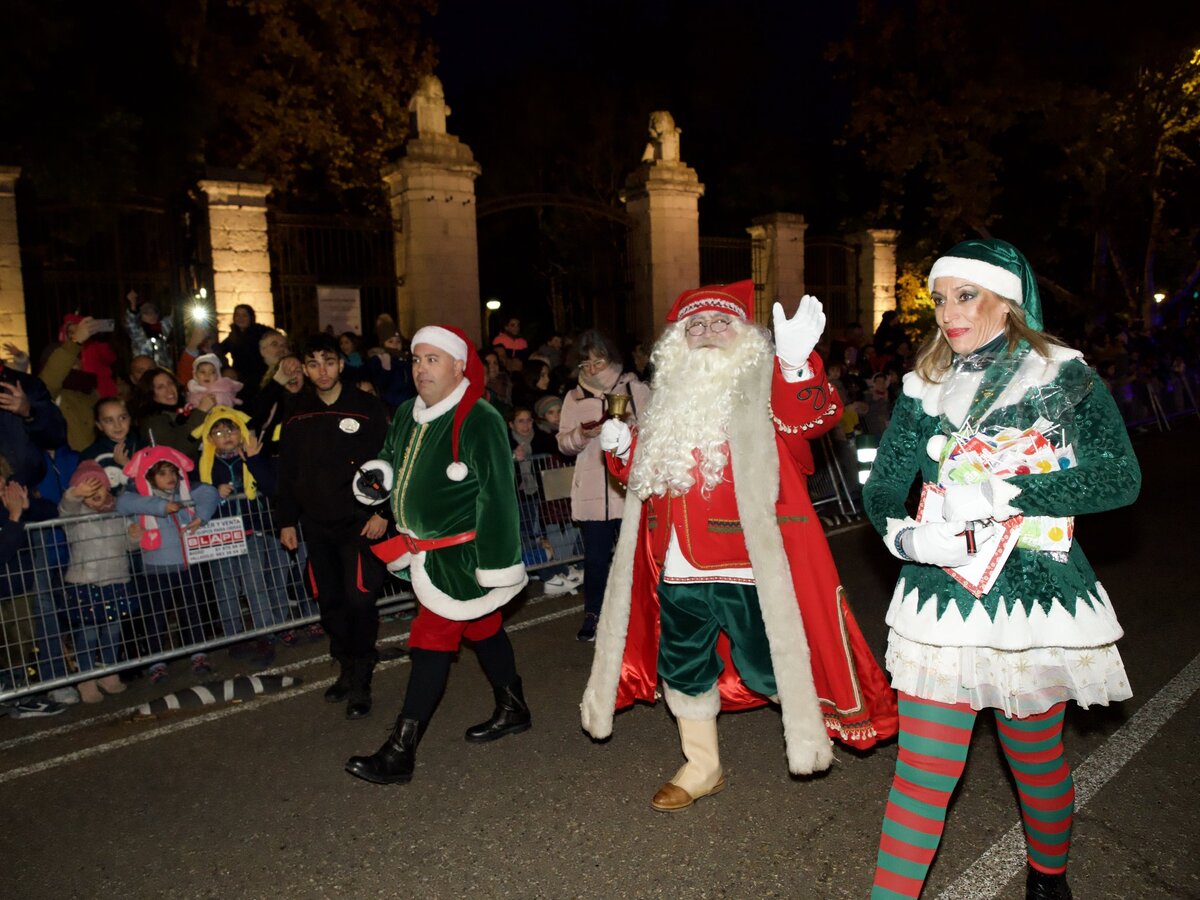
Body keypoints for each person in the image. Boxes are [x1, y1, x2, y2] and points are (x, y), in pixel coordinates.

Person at [863, 239, 1142, 900]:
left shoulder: (1063, 375)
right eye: (941, 299)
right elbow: (880, 487)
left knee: (1035, 756)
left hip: (1034, 594)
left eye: (967, 296)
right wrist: (903, 535)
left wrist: (1006, 494)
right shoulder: (925, 381)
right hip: (943, 595)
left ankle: (1049, 880)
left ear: (1007, 299)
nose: (950, 315)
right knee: (923, 774)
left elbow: (1120, 477)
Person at [580, 280, 897, 811]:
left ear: (745, 335)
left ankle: (812, 722)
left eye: (720, 323)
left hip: (747, 565)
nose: (707, 334)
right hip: (676, 566)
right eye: (695, 326)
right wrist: (623, 451)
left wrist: (797, 366)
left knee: (766, 665)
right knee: (682, 666)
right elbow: (650, 481)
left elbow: (809, 422)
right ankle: (702, 765)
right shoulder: (666, 405)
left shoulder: (765, 391)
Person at [345, 324, 529, 785]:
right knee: (483, 626)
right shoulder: (408, 411)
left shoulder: (480, 418)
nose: (421, 368)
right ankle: (514, 707)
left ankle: (399, 752)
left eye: (432, 359)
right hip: (421, 552)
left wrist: (497, 565)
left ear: (459, 366)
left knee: (429, 641)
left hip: (460, 559)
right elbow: (390, 457)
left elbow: (498, 496)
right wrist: (376, 477)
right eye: (416, 359)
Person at [276, 333, 390, 719]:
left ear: (342, 365)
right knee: (330, 605)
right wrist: (287, 520)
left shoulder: (368, 408)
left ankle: (361, 677)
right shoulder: (295, 411)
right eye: (313, 363)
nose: (322, 370)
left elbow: (390, 463)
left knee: (360, 600)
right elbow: (287, 471)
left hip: (360, 525)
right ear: (304, 369)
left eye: (329, 361)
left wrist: (383, 513)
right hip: (316, 526)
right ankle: (346, 665)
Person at [557, 330, 650, 641]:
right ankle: (593, 615)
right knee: (595, 560)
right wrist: (582, 436)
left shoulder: (634, 387)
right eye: (587, 363)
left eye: (598, 361)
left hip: (628, 487)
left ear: (610, 358)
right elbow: (563, 443)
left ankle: (640, 616)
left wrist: (630, 430)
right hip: (592, 490)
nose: (593, 369)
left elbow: (653, 431)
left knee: (634, 558)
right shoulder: (574, 396)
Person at [192, 407, 289, 666]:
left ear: (241, 431)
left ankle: (265, 633)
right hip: (218, 537)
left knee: (255, 583)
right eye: (219, 431)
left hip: (250, 531)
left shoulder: (252, 457)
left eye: (231, 429)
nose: (226, 436)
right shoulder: (203, 466)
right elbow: (191, 492)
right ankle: (235, 638)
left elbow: (270, 487)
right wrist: (212, 490)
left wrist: (255, 461)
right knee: (225, 589)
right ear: (210, 438)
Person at [117, 446, 220, 682]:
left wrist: (200, 517)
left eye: (173, 472)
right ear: (149, 476)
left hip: (188, 564)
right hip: (156, 567)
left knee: (193, 609)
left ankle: (198, 653)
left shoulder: (185, 493)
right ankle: (157, 662)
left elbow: (210, 493)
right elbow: (122, 503)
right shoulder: (140, 498)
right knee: (156, 616)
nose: (170, 478)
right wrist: (161, 507)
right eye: (162, 473)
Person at [58, 461, 134, 704]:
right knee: (88, 632)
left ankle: (108, 671)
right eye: (87, 492)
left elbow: (128, 544)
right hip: (85, 582)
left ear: (107, 487)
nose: (94, 495)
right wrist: (73, 495)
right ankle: (87, 677)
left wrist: (136, 539)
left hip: (116, 579)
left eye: (97, 487)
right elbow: (65, 508)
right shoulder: (76, 516)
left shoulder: (119, 512)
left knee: (113, 629)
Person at [134, 368, 211, 457]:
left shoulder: (185, 409)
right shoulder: (153, 421)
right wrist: (201, 411)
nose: (169, 390)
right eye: (161, 387)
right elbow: (177, 453)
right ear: (150, 394)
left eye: (170, 383)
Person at [214, 304, 272, 399]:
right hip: (239, 378)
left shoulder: (260, 332)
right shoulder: (233, 335)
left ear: (251, 317)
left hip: (259, 377)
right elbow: (219, 350)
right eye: (237, 315)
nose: (240, 318)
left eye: (244, 315)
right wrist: (227, 369)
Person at [123, 290, 174, 370]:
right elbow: (130, 321)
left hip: (163, 370)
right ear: (140, 316)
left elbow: (173, 317)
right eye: (146, 312)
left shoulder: (162, 328)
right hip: (145, 371)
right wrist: (132, 303)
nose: (152, 315)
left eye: (154, 312)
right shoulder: (138, 332)